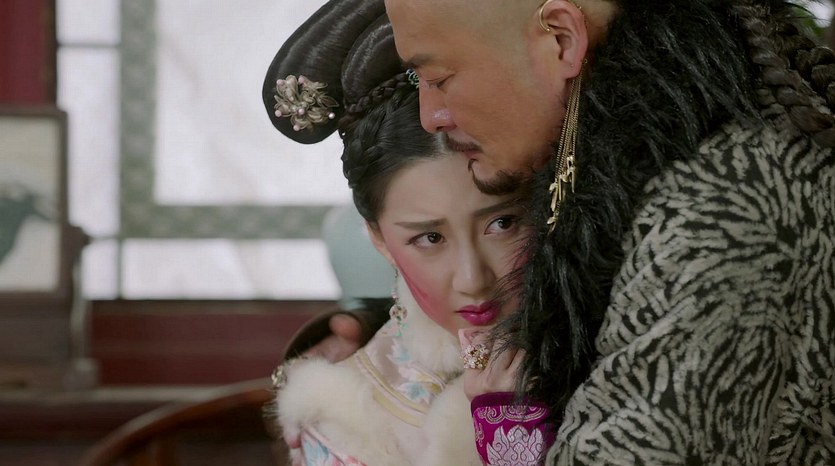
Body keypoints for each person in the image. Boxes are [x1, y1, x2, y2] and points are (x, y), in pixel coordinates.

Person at [292, 0, 835, 463]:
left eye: (437, 79)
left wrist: (512, 435)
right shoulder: (617, 187)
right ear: (379, 238)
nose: (431, 113)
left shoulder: (713, 208)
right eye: (428, 237)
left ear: (561, 38)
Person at [261, 5, 553, 464]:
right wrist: (509, 439)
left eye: (503, 223)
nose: (473, 279)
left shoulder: (621, 332)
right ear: (378, 239)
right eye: (430, 238)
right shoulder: (345, 419)